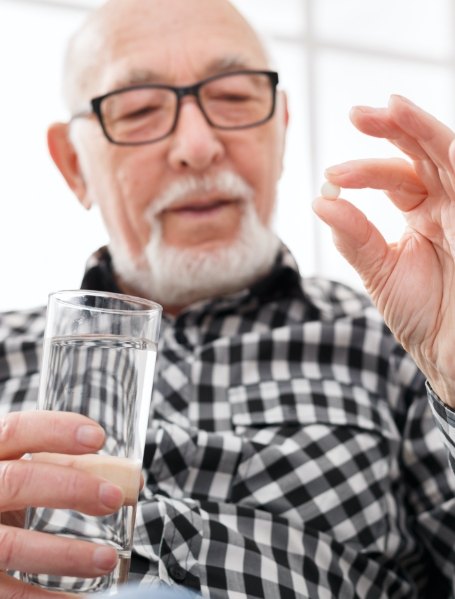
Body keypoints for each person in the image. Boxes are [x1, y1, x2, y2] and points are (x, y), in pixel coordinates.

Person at [1, 0, 455, 597]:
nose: (198, 145)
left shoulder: (398, 342)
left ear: (282, 130)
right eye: (138, 110)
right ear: (73, 166)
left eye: (236, 98)